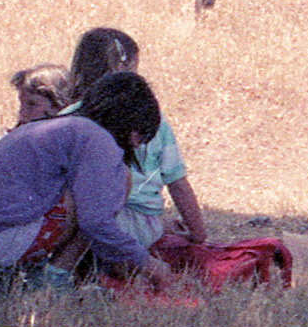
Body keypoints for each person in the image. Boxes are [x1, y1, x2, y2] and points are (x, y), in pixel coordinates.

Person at [0, 71, 176, 289]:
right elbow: (95, 222)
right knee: (110, 186)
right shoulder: (99, 140)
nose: (136, 146)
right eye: (140, 137)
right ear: (132, 128)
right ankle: (53, 281)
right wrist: (150, 265)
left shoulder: (54, 126)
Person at [63, 27, 208, 249]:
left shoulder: (69, 116)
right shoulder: (150, 119)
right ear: (124, 69)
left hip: (73, 219)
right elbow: (177, 182)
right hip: (137, 222)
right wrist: (198, 233)